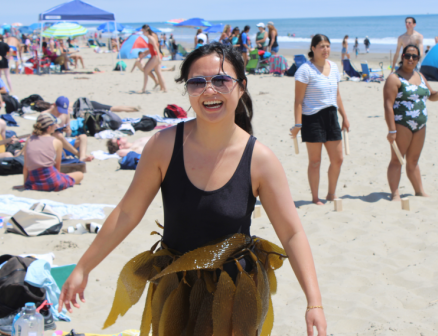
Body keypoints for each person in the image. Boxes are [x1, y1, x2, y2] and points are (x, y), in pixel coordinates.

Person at [58, 42, 327, 336]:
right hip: (175, 287)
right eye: (197, 83)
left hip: (235, 291)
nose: (209, 91)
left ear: (241, 87)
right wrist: (83, 267)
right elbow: (127, 212)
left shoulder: (260, 160)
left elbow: (291, 232)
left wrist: (314, 303)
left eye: (221, 80)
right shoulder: (163, 146)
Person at [292, 34, 351, 205]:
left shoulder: (333, 67)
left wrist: (344, 117)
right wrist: (298, 124)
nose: (325, 49)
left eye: (327, 46)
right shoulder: (305, 70)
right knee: (315, 161)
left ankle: (331, 194)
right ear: (313, 48)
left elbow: (337, 95)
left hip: (331, 116)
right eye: (321, 46)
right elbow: (298, 101)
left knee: (338, 159)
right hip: (312, 118)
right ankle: (315, 197)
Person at [383, 44, 438, 201]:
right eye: (408, 56)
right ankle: (395, 193)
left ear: (418, 59)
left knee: (413, 161)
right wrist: (392, 130)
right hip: (402, 123)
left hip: (421, 124)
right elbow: (388, 105)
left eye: (415, 57)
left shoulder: (420, 75)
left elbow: (430, 95)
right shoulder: (394, 78)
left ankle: (419, 191)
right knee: (397, 160)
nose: (411, 59)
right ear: (402, 57)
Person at [20, 113, 83, 192]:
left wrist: (25, 184)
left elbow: (26, 166)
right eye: (54, 125)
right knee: (80, 175)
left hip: (32, 182)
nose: (56, 126)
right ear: (49, 127)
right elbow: (57, 167)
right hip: (52, 182)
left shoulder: (29, 140)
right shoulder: (56, 142)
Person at [42, 96, 94, 162]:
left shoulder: (65, 113)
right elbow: (41, 135)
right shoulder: (44, 115)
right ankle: (79, 155)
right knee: (57, 135)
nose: (60, 113)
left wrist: (67, 131)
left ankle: (82, 156)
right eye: (59, 110)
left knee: (83, 137)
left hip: (65, 144)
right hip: (52, 144)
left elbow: (68, 133)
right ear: (54, 105)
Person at [136, 25, 167, 93]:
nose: (142, 33)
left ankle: (144, 89)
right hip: (155, 56)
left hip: (155, 56)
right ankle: (164, 89)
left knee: (146, 70)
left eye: (143, 31)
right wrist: (143, 56)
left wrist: (159, 57)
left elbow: (156, 47)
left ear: (146, 31)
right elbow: (151, 50)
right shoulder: (149, 37)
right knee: (158, 72)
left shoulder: (150, 38)